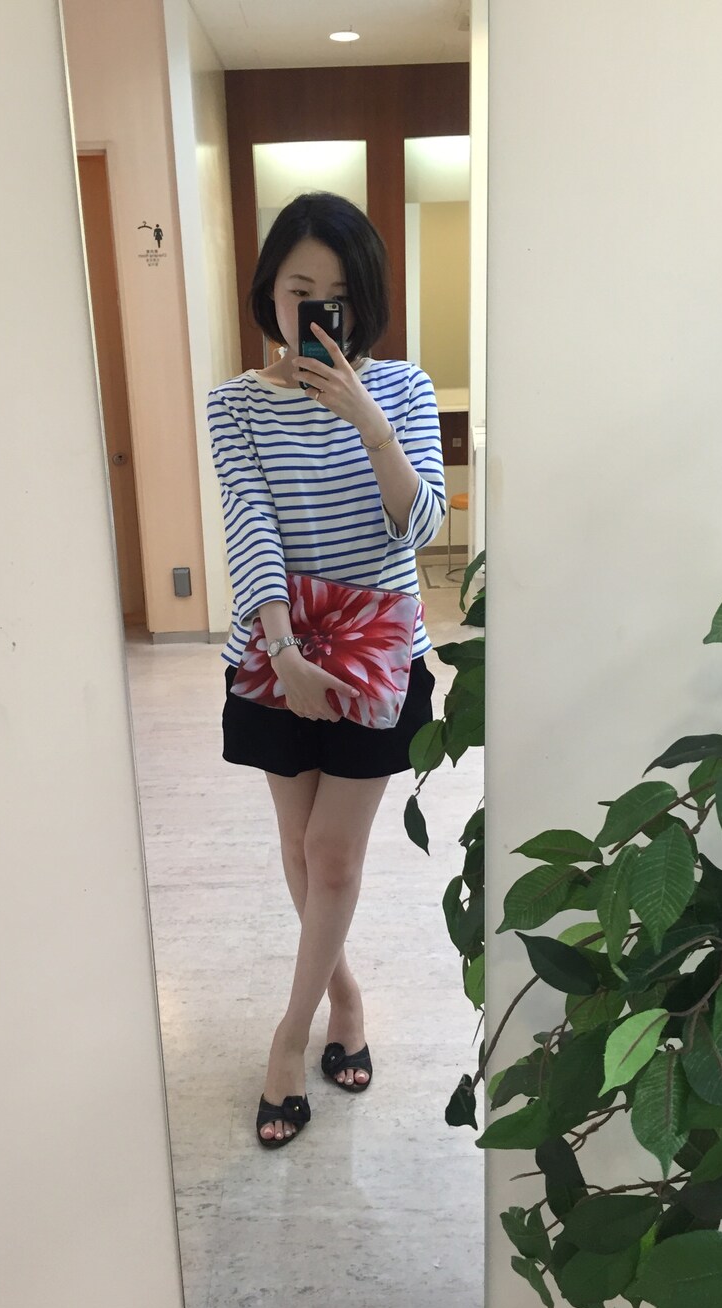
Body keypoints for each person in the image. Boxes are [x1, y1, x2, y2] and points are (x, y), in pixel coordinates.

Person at [207, 192, 446, 1148]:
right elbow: (251, 527)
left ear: (363, 301)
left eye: (337, 294)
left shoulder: (406, 389)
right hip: (281, 640)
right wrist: (283, 652)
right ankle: (343, 996)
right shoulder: (233, 404)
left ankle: (289, 1035)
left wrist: (367, 419)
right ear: (270, 291)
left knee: (335, 855)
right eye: (299, 288)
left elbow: (420, 528)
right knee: (302, 847)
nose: (316, 309)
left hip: (379, 643)